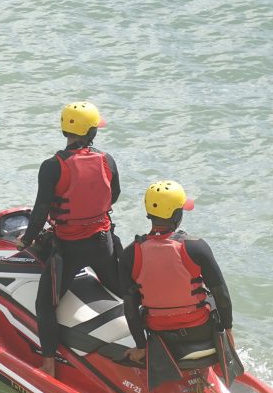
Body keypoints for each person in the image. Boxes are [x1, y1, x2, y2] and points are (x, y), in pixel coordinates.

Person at [18, 101, 121, 377]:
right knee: (125, 291)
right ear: (91, 132)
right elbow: (115, 194)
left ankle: (49, 364)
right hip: (103, 244)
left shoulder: (51, 166)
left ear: (65, 129)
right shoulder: (107, 160)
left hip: (69, 249)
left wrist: (25, 241)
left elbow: (40, 211)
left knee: (45, 304)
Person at [119, 180, 235, 372]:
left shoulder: (130, 254)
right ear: (177, 215)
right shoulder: (196, 247)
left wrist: (141, 347)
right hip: (201, 331)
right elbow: (221, 292)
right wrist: (228, 331)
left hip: (160, 335)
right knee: (211, 296)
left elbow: (129, 307)